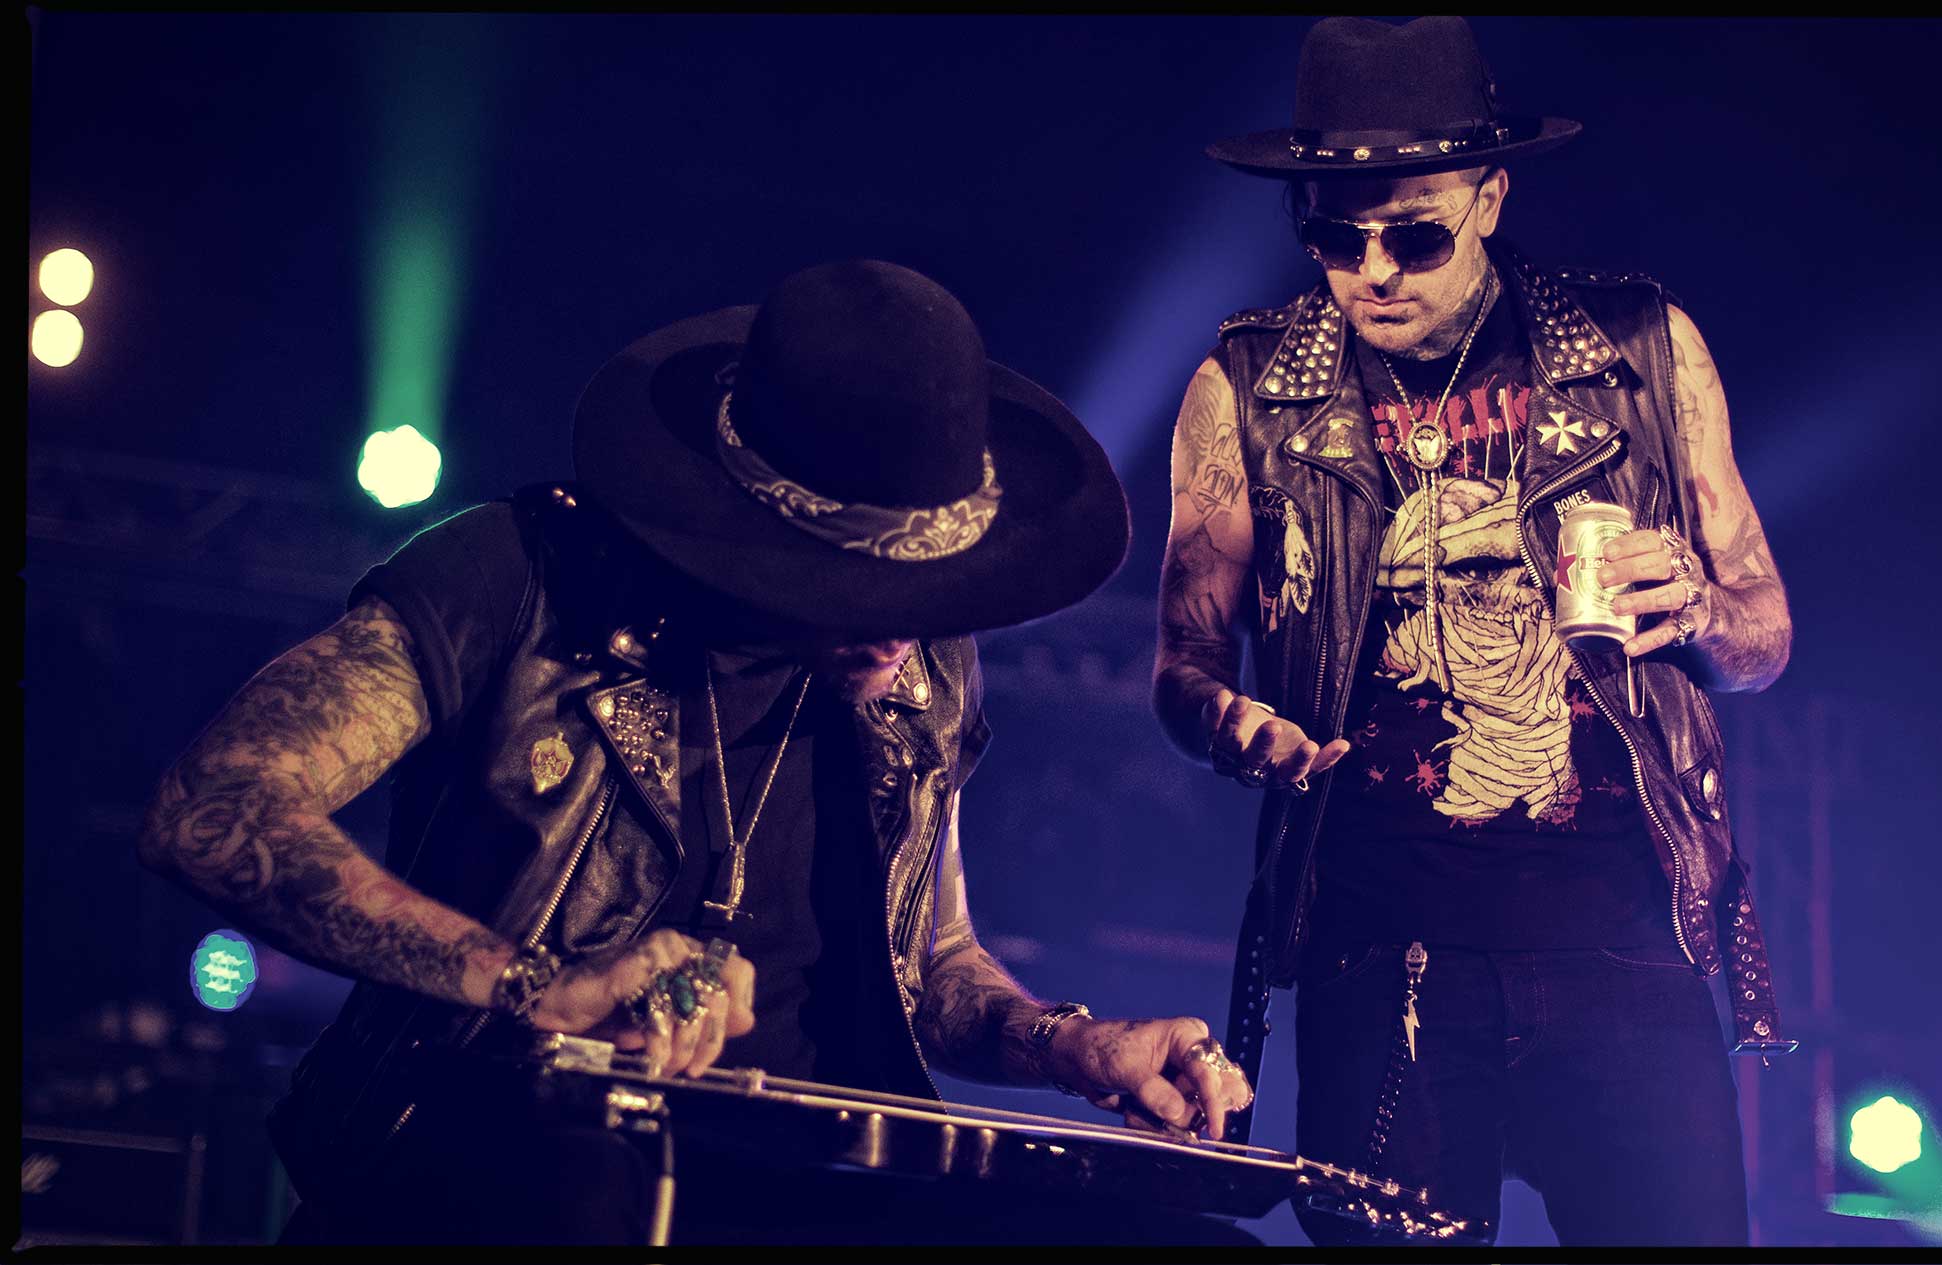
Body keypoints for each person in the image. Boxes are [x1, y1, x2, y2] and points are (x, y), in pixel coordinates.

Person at [140, 260, 1259, 1245]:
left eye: (931, 589)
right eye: (865, 584)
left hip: (823, 1170)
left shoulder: (920, 669)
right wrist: (545, 985)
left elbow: (932, 964)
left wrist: (1067, 1043)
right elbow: (215, 803)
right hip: (508, 1144)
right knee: (587, 1199)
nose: (900, 625)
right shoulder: (519, 577)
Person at [1151, 16, 1796, 1246]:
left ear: (1491, 196)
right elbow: (1182, 663)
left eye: (1413, 233)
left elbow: (1765, 632)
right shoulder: (1246, 390)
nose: (1372, 271)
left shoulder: (1638, 356)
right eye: (1334, 235)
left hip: (1628, 953)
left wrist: (1701, 611)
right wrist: (1226, 721)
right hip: (1375, 958)